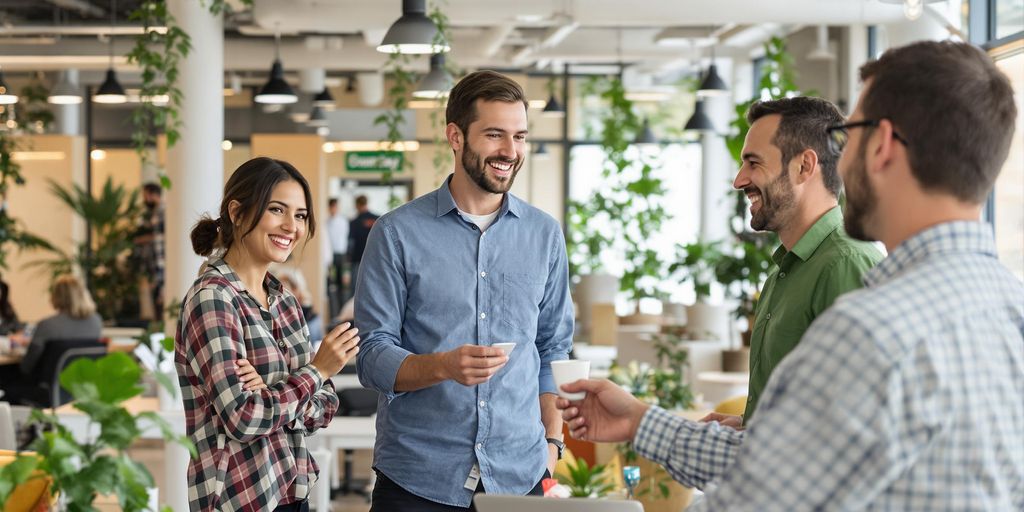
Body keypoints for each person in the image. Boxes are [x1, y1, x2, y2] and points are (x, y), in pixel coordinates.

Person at [557, 40, 1022, 511]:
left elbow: (757, 498)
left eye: (850, 134)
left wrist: (649, 425)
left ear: (880, 145)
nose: (841, 156)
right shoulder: (1010, 307)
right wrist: (650, 422)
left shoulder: (873, 329)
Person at [356, 70, 574, 511]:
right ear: (456, 136)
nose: (510, 152)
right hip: (418, 480)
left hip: (520, 476)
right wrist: (442, 366)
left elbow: (553, 349)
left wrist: (552, 444)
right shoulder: (397, 233)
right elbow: (372, 356)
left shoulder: (544, 235)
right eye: (494, 135)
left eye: (520, 136)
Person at [176, 157, 361, 512]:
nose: (291, 226)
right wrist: (316, 372)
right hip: (238, 499)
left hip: (292, 491)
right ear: (237, 212)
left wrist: (270, 390)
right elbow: (243, 418)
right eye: (277, 210)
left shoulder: (285, 300)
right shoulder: (213, 298)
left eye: (301, 215)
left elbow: (325, 408)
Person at [707, 97, 882, 428]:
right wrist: (746, 426)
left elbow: (857, 423)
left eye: (753, 163)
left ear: (804, 166)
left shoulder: (845, 264)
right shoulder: (783, 269)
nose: (739, 180)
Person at [0, 274, 103, 405]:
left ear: (57, 296)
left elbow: (27, 367)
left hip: (45, 390)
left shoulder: (48, 325)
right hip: (79, 390)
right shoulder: (96, 322)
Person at [133, 182, 165, 318]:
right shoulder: (151, 213)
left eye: (146, 196)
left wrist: (143, 239)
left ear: (153, 195)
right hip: (154, 264)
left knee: (161, 299)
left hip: (161, 263)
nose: (145, 199)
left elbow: (162, 236)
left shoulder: (162, 212)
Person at [347, 194, 377, 297]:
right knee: (373, 289)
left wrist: (348, 258)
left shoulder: (354, 222)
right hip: (374, 260)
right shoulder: (377, 219)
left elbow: (350, 243)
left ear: (357, 205)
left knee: (356, 291)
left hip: (357, 260)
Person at [326, 197, 349, 316]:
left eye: (335, 206)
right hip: (331, 255)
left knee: (344, 285)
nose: (334, 209)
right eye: (332, 207)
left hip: (342, 255)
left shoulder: (343, 221)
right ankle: (334, 313)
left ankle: (342, 312)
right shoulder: (327, 222)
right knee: (332, 283)